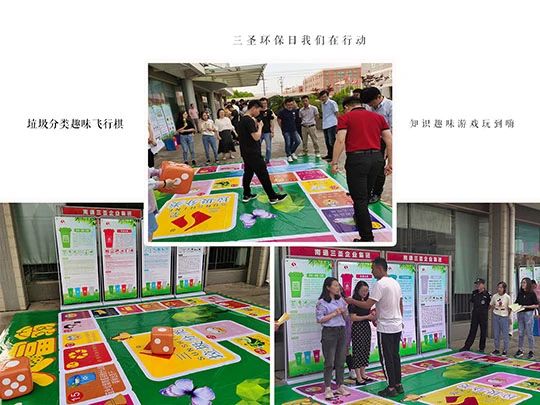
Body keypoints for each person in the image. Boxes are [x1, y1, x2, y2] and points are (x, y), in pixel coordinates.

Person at [331, 96, 392, 242]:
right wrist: (390, 162)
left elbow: (340, 140)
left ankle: (367, 237)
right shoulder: (378, 117)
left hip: (357, 161)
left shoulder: (345, 118)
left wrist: (334, 162)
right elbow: (389, 140)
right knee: (365, 195)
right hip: (377, 159)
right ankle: (359, 218)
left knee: (359, 199)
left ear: (347, 107)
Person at [345, 258, 404, 398]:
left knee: (386, 358)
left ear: (379, 268)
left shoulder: (380, 284)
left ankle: (391, 387)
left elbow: (367, 305)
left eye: (372, 268)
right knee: (395, 355)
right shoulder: (395, 283)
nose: (372, 272)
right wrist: (399, 319)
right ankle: (398, 384)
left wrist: (352, 301)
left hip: (386, 327)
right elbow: (400, 304)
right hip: (397, 325)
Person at [237, 99, 287, 204]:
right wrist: (260, 127)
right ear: (254, 108)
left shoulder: (242, 120)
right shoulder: (249, 120)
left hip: (245, 152)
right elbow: (256, 137)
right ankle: (272, 197)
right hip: (253, 153)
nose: (259, 113)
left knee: (248, 173)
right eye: (259, 110)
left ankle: (246, 194)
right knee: (263, 174)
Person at [316, 277, 351, 400]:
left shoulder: (340, 300)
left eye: (338, 285)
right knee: (329, 362)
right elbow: (319, 319)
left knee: (341, 360)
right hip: (329, 332)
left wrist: (344, 311)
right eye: (335, 285)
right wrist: (334, 313)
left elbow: (346, 317)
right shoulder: (321, 302)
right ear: (328, 287)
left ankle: (340, 385)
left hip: (341, 331)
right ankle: (328, 387)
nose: (338, 288)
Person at [361, 87, 393, 204]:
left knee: (379, 168)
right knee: (367, 165)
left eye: (371, 103)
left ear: (379, 97)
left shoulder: (390, 106)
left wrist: (389, 148)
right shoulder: (368, 106)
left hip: (384, 140)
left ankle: (376, 193)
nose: (369, 105)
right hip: (370, 139)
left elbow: (393, 129)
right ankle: (366, 190)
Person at [348, 280, 376, 385]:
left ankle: (363, 374)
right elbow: (352, 318)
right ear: (357, 290)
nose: (365, 293)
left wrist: (372, 315)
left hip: (366, 327)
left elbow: (369, 314)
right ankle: (358, 376)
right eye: (363, 291)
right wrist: (367, 317)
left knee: (365, 350)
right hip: (357, 328)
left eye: (366, 291)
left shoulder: (367, 302)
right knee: (358, 351)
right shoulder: (353, 302)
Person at [459, 278, 491, 353]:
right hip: (475, 315)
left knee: (483, 332)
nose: (477, 285)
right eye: (476, 284)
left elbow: (490, 305)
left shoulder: (487, 294)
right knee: (472, 330)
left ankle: (481, 348)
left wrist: (484, 311)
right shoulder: (474, 293)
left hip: (483, 315)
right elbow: (472, 302)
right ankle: (467, 346)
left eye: (479, 284)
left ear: (483, 285)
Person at [514, 277, 539, 359]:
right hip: (520, 314)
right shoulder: (520, 293)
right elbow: (516, 302)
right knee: (520, 333)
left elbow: (536, 305)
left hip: (528, 314)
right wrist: (513, 307)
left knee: (529, 333)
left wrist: (526, 306)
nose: (522, 284)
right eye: (522, 282)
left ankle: (531, 351)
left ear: (528, 284)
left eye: (524, 282)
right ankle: (520, 349)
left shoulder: (532, 293)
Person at [489, 281, 512, 356]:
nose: (499, 289)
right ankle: (496, 349)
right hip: (496, 315)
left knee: (505, 334)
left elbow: (510, 308)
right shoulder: (495, 296)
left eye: (501, 287)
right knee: (496, 334)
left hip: (504, 316)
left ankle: (505, 350)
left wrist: (508, 316)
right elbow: (491, 305)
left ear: (504, 288)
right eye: (498, 287)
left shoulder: (507, 297)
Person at [277, 98, 302, 162]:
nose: (290, 106)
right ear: (285, 105)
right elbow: (279, 120)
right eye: (288, 105)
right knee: (288, 143)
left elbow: (297, 119)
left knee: (298, 141)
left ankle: (292, 152)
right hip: (286, 130)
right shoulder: (281, 112)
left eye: (291, 104)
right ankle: (288, 155)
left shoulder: (294, 111)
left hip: (294, 129)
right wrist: (282, 128)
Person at [319, 90, 339, 160]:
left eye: (324, 96)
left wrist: (339, 123)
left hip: (332, 124)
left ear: (328, 96)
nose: (323, 98)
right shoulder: (322, 104)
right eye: (322, 97)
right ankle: (329, 155)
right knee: (327, 141)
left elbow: (336, 113)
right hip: (325, 124)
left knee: (332, 141)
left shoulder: (332, 103)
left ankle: (334, 156)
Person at [258, 98, 275, 164]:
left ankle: (267, 160)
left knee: (268, 147)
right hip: (259, 132)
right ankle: (259, 159)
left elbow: (272, 121)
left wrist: (272, 131)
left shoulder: (269, 111)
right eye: (262, 103)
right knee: (257, 147)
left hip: (267, 132)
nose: (264, 105)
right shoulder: (257, 111)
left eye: (265, 103)